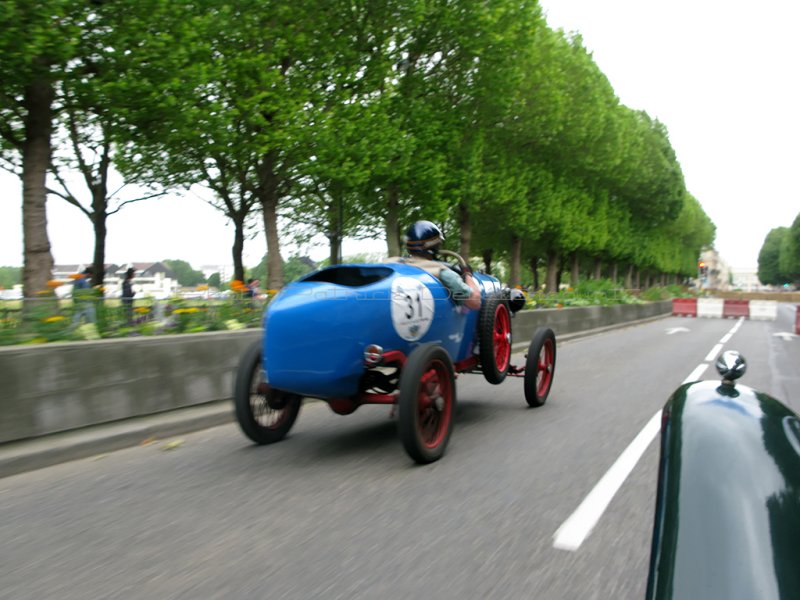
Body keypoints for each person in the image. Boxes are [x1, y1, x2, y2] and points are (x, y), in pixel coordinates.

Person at [390, 220, 481, 310]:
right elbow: (475, 302)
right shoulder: (444, 273)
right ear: (435, 246)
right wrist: (467, 274)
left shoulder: (392, 264)